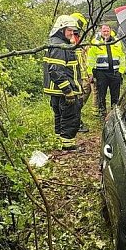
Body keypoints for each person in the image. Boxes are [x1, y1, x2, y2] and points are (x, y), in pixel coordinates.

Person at [43, 15, 83, 151]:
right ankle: (68, 145)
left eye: (73, 31)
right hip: (63, 90)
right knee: (70, 117)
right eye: (69, 30)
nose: (72, 33)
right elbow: (56, 71)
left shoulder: (56, 42)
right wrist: (68, 91)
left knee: (60, 117)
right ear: (61, 29)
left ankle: (60, 142)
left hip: (57, 91)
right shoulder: (60, 46)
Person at [86, 23, 126, 119]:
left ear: (110, 31)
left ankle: (114, 113)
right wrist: (90, 73)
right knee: (101, 94)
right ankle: (102, 114)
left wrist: (121, 71)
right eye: (104, 31)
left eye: (107, 31)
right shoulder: (95, 42)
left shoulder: (117, 42)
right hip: (101, 73)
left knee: (115, 95)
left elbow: (122, 57)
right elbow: (90, 59)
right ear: (101, 31)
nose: (106, 33)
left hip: (115, 73)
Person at [69, 12, 90, 133]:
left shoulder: (77, 37)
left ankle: (76, 118)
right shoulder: (70, 38)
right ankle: (75, 121)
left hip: (82, 73)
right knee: (77, 98)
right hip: (75, 75)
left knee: (84, 94)